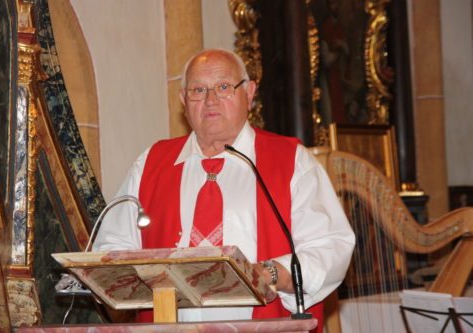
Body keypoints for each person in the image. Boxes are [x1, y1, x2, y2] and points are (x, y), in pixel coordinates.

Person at [93, 48, 355, 331]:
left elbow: (330, 246)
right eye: (198, 90)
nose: (210, 100)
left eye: (224, 87)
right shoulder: (150, 164)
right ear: (183, 100)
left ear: (250, 93)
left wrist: (270, 272)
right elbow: (110, 250)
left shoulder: (291, 160)